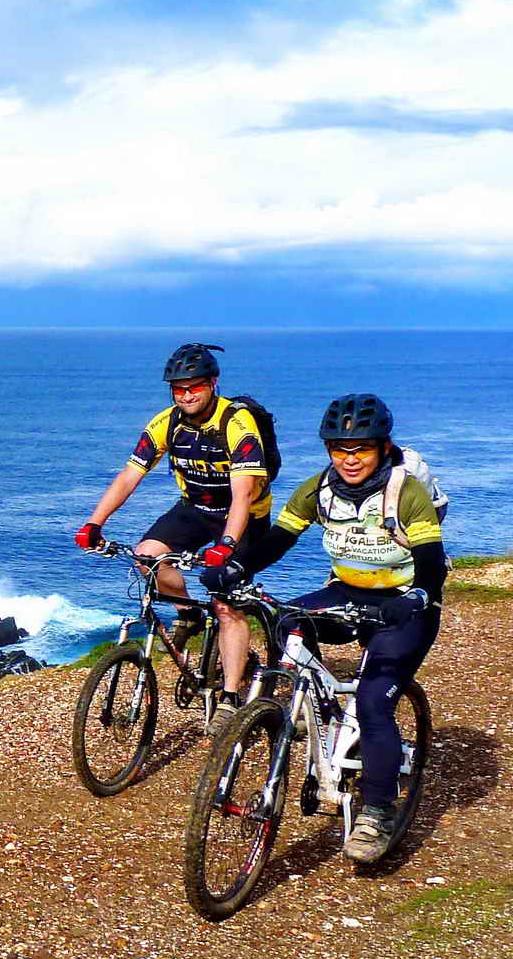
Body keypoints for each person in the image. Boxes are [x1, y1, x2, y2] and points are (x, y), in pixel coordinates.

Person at [200, 393, 445, 864]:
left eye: (361, 449)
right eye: (339, 449)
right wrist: (235, 568)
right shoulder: (319, 489)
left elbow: (431, 561)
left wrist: (417, 596)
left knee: (374, 702)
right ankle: (295, 710)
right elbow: (278, 539)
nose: (349, 459)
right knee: (287, 622)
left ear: (382, 447)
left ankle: (378, 809)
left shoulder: (405, 492)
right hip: (348, 589)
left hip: (405, 604)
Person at [76, 343, 272, 707]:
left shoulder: (236, 424)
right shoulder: (166, 423)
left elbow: (243, 495)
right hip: (195, 509)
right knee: (146, 556)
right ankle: (189, 614)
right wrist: (94, 523)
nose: (186, 395)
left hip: (243, 518)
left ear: (213, 383)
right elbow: (129, 477)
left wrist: (227, 543)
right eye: (178, 389)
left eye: (194, 386)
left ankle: (229, 698)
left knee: (226, 603)